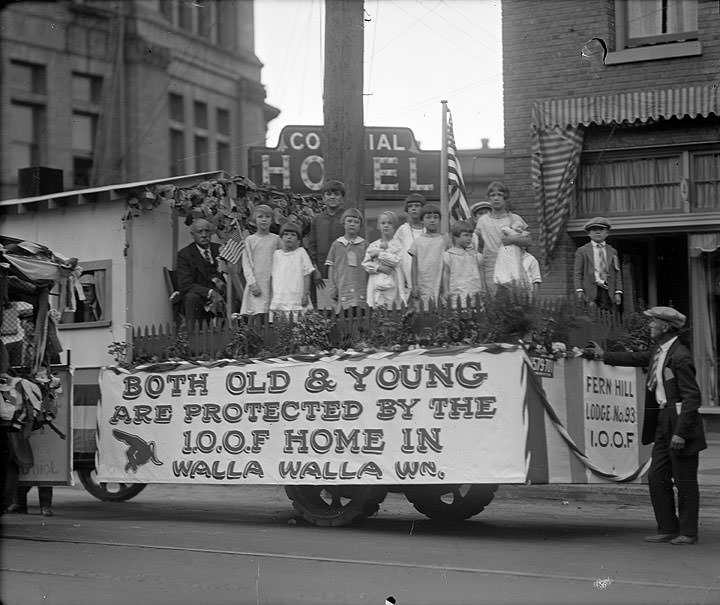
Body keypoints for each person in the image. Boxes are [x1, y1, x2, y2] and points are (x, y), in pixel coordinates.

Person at [587, 307, 706, 545]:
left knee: (684, 481)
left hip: (680, 422)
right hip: (663, 420)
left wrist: (681, 433)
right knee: (656, 476)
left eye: (653, 323)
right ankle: (667, 528)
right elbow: (636, 358)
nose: (649, 326)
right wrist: (602, 355)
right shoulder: (659, 351)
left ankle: (688, 532)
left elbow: (692, 398)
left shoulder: (680, 356)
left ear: (665, 326)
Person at [474, 181, 530, 295]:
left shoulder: (514, 218)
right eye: (493, 195)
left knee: (516, 299)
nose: (496, 198)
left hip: (511, 265)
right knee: (494, 302)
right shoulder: (483, 221)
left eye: (499, 195)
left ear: (505, 198)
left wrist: (512, 240)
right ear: (488, 198)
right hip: (491, 267)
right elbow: (476, 245)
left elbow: (528, 240)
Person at [176, 218, 225, 327]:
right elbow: (185, 284)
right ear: (192, 235)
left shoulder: (220, 250)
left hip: (222, 293)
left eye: (207, 231)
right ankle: (193, 338)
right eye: (200, 232)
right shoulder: (185, 254)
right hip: (200, 295)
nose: (204, 235)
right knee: (191, 298)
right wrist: (210, 292)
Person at [308, 180, 346, 308]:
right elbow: (312, 245)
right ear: (323, 198)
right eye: (328, 194)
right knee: (325, 309)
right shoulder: (317, 220)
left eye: (336, 194)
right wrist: (315, 269)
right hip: (322, 270)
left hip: (343, 270)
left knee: (344, 310)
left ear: (342, 198)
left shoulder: (347, 219)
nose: (332, 197)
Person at [240, 205, 281, 317]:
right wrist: (252, 283)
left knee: (271, 314)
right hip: (257, 281)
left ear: (272, 220)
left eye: (267, 217)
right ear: (254, 219)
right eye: (260, 216)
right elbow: (247, 264)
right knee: (257, 313)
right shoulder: (250, 240)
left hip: (272, 281)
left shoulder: (276, 239)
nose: (264, 219)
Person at [573, 216, 622, 310]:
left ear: (607, 233)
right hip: (590, 291)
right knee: (591, 320)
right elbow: (577, 273)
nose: (598, 232)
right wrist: (579, 290)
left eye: (601, 229)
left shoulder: (612, 251)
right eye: (594, 229)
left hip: (608, 291)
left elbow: (617, 272)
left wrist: (618, 291)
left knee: (610, 319)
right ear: (589, 234)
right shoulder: (582, 251)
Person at [326, 208, 368, 314]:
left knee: (360, 320)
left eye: (356, 222)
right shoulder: (337, 244)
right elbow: (331, 267)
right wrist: (332, 287)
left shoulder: (365, 245)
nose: (352, 224)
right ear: (343, 223)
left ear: (360, 225)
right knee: (343, 321)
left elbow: (369, 268)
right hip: (342, 288)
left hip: (361, 288)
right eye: (349, 221)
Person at [269, 223, 313, 316]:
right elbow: (272, 276)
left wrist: (305, 293)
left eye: (293, 235)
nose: (289, 237)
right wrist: (272, 296)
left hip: (297, 296)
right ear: (281, 238)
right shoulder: (276, 254)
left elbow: (307, 274)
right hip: (280, 296)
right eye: (286, 234)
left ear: (298, 240)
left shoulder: (301, 253)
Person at [409, 204, 449, 306]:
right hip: (423, 281)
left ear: (440, 220)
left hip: (440, 280)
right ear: (422, 220)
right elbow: (414, 265)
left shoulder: (445, 239)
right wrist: (414, 285)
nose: (432, 220)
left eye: (435, 217)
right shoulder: (418, 241)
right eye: (428, 217)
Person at [362, 211, 403, 309]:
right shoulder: (373, 245)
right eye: (383, 223)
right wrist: (378, 268)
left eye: (390, 223)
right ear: (378, 226)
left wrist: (379, 254)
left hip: (393, 282)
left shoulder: (398, 245)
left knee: (392, 309)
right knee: (377, 311)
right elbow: (365, 264)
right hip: (376, 283)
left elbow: (396, 261)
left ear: (394, 227)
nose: (386, 226)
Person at [442, 220, 483, 308]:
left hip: (474, 291)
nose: (469, 238)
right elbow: (446, 273)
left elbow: (480, 271)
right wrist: (446, 290)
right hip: (457, 292)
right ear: (456, 237)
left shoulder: (475, 255)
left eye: (470, 236)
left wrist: (483, 288)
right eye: (465, 235)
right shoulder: (450, 255)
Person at [394, 193, 426, 303]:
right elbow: (396, 253)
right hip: (407, 279)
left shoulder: (428, 230)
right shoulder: (403, 230)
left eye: (417, 206)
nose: (413, 209)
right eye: (410, 206)